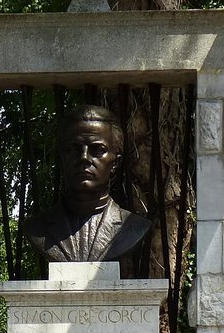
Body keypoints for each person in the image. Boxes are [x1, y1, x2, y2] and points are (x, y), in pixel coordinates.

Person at [25, 105, 151, 265]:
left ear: (115, 163)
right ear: (62, 158)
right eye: (74, 148)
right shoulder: (37, 228)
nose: (84, 158)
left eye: (97, 149)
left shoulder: (133, 227)